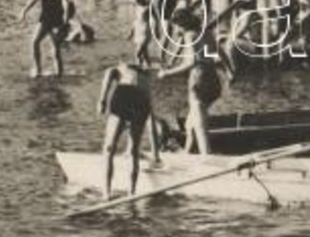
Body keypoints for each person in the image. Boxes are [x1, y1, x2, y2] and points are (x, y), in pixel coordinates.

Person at [158, 12, 228, 155]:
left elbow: (191, 63)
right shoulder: (206, 33)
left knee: (200, 126)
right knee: (190, 124)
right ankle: (187, 153)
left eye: (176, 27)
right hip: (214, 81)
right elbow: (219, 53)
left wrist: (167, 74)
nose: (175, 31)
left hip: (199, 81)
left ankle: (206, 157)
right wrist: (229, 71)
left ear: (182, 25)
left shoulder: (190, 36)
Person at [98, 60, 163, 199]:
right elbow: (151, 122)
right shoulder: (144, 75)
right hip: (142, 99)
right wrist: (155, 154)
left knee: (109, 148)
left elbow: (109, 73)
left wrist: (102, 99)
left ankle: (107, 193)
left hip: (127, 94)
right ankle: (131, 192)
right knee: (133, 149)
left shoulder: (121, 67)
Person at [18, 0, 71, 78]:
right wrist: (24, 11)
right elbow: (32, 0)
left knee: (55, 49)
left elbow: (66, 5)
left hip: (57, 21)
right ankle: (38, 69)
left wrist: (65, 21)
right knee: (34, 42)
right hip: (44, 20)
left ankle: (59, 74)